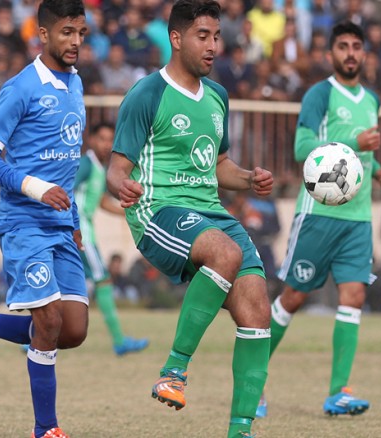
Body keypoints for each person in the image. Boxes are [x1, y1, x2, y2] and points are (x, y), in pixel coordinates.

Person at [106, 2, 274, 436]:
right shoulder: (147, 94)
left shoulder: (218, 96)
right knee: (225, 253)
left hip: (210, 211)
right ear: (176, 39)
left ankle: (240, 431)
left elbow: (219, 166)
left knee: (258, 308)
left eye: (216, 36)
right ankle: (174, 371)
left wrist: (248, 178)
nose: (213, 45)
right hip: (158, 210)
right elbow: (116, 168)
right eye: (203, 36)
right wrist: (122, 185)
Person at [0, 2, 88, 438]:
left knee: (73, 330)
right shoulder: (22, 87)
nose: (76, 42)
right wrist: (35, 188)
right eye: (66, 32)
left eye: (81, 33)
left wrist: (74, 219)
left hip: (61, 223)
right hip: (24, 222)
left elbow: (66, 163)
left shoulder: (75, 82)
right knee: (48, 321)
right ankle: (46, 428)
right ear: (42, 34)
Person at [263, 21, 381, 418]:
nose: (350, 53)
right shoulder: (319, 94)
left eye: (357, 46)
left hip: (358, 217)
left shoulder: (372, 99)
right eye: (343, 46)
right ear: (330, 54)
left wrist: (377, 171)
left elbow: (357, 159)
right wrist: (356, 142)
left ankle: (338, 392)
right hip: (319, 214)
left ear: (365, 54)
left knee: (354, 296)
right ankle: (252, 377)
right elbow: (303, 148)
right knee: (293, 297)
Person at [75, 122, 149, 355]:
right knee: (103, 280)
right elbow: (67, 190)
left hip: (81, 232)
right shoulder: (86, 164)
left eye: (110, 140)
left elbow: (101, 201)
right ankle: (119, 341)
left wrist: (128, 213)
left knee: (64, 285)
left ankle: (34, 340)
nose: (106, 144)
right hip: (81, 233)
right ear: (91, 140)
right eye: (102, 139)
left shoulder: (100, 167)